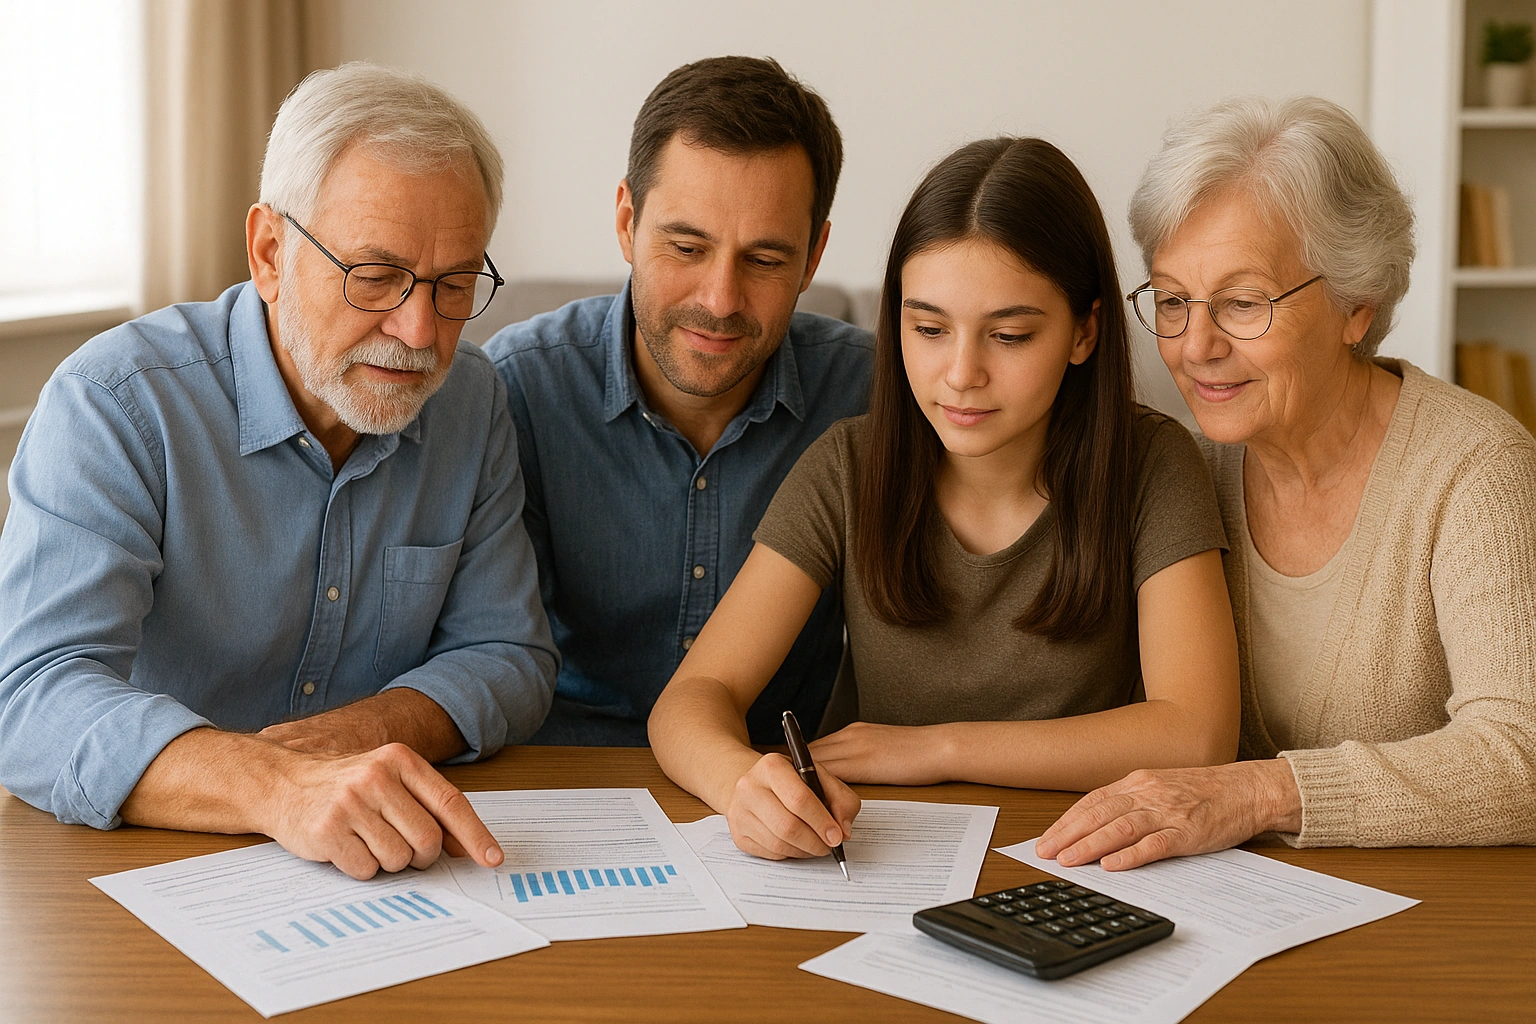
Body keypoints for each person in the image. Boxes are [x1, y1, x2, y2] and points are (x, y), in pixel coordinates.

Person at [0, 63, 558, 880]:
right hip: (148, 867)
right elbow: (31, 698)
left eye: (454, 285)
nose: (418, 331)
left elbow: (508, 653)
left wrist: (366, 733)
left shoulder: (469, 399)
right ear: (269, 252)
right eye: (375, 275)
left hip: (386, 862)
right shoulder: (115, 405)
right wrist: (277, 785)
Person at [649, 137, 1240, 862]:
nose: (961, 374)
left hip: (1079, 854)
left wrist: (938, 749)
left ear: (1084, 332)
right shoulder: (849, 466)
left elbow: (1199, 733)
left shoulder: (1153, 464)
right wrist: (745, 784)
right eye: (928, 329)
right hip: (876, 850)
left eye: (1010, 335)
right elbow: (691, 698)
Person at [1038, 96, 1536, 872]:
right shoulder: (1180, 469)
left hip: (1426, 926)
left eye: (1242, 303)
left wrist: (1260, 794)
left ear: (1356, 305)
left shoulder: (1477, 472)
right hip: (1224, 911)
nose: (1195, 346)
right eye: (1172, 300)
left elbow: (1521, 757)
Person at [482, 56, 873, 746]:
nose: (719, 301)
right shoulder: (515, 390)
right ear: (627, 220)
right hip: (565, 778)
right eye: (687, 247)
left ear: (814, 258)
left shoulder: (874, 397)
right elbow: (483, 649)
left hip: (780, 782)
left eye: (764, 260)